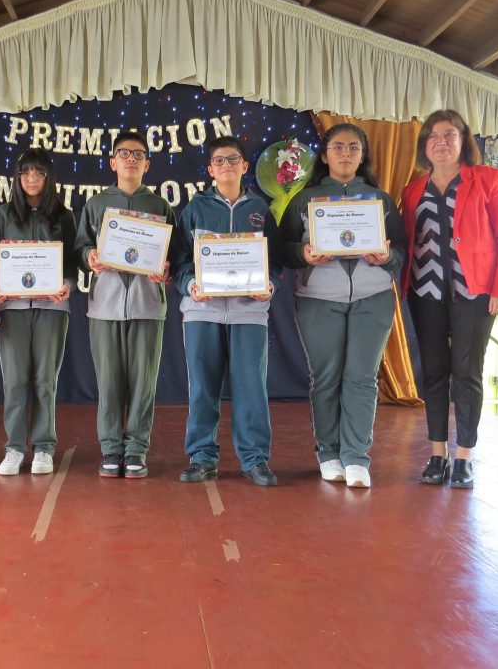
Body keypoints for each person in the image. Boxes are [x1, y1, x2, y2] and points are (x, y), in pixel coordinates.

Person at [279, 123, 407, 488]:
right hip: (319, 298)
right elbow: (283, 249)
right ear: (325, 155)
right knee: (326, 377)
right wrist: (303, 254)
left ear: (362, 155)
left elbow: (401, 250)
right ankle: (329, 453)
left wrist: (387, 257)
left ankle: (356, 457)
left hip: (373, 297)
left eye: (353, 147)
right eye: (338, 147)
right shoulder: (305, 199)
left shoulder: (381, 200)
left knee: (362, 377)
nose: (346, 153)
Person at [401, 109, 498, 489]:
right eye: (433, 136)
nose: (441, 142)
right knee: (434, 371)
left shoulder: (488, 179)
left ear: (462, 140)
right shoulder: (412, 190)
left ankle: (464, 457)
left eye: (449, 134)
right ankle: (438, 454)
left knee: (467, 373)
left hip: (476, 291)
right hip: (425, 291)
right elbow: (408, 241)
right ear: (424, 145)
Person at [170, 136, 281, 487]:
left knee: (251, 386)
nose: (226, 166)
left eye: (233, 160)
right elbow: (179, 261)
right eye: (219, 161)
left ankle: (255, 459)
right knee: (203, 387)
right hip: (202, 311)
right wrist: (190, 284)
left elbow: (275, 261)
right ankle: (202, 457)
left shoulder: (261, 210)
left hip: (249, 312)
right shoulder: (195, 209)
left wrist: (270, 285)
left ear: (244, 166)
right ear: (210, 169)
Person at [74, 131, 175, 479]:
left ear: (147, 164)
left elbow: (174, 253)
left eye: (138, 154)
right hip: (105, 305)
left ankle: (136, 450)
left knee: (144, 383)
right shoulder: (96, 204)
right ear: (112, 162)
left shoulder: (160, 207)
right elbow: (80, 245)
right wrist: (89, 255)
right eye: (124, 153)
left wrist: (166, 269)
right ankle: (111, 447)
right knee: (109, 382)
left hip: (148, 305)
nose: (131, 159)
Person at [0, 148, 76, 476]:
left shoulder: (64, 216)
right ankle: (13, 447)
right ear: (18, 177)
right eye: (26, 172)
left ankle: (43, 447)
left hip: (52, 307)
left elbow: (71, 264)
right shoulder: (3, 215)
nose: (32, 178)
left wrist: (68, 284)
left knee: (44, 380)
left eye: (39, 172)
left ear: (49, 177)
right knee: (14, 380)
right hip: (12, 307)